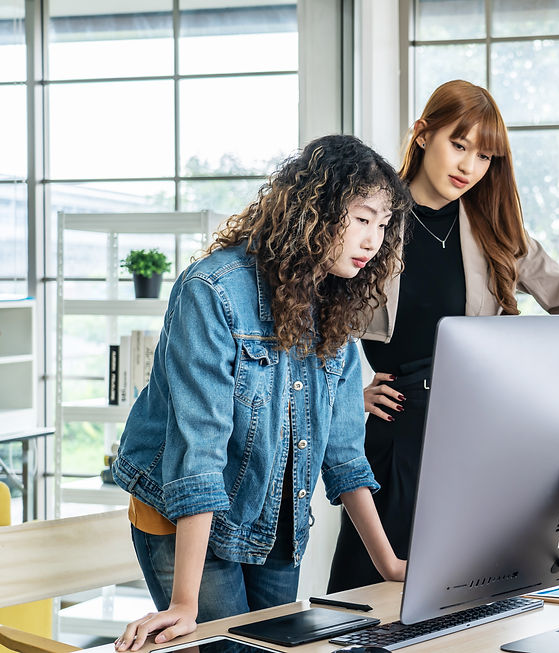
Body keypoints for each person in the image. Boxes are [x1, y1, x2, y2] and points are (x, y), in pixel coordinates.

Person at [111, 135, 411, 651]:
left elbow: (342, 451)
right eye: (362, 219)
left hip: (273, 519)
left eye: (383, 226)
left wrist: (389, 564)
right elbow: (197, 450)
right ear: (313, 209)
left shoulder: (334, 304)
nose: (373, 241)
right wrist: (185, 604)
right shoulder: (212, 291)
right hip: (183, 515)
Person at [327, 80, 559, 592]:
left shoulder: (497, 230)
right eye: (459, 144)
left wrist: (521, 374)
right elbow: (313, 320)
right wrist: (350, 395)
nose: (470, 167)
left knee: (473, 588)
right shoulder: (373, 217)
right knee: (372, 592)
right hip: (397, 428)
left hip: (476, 432)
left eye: (485, 156)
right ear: (423, 134)